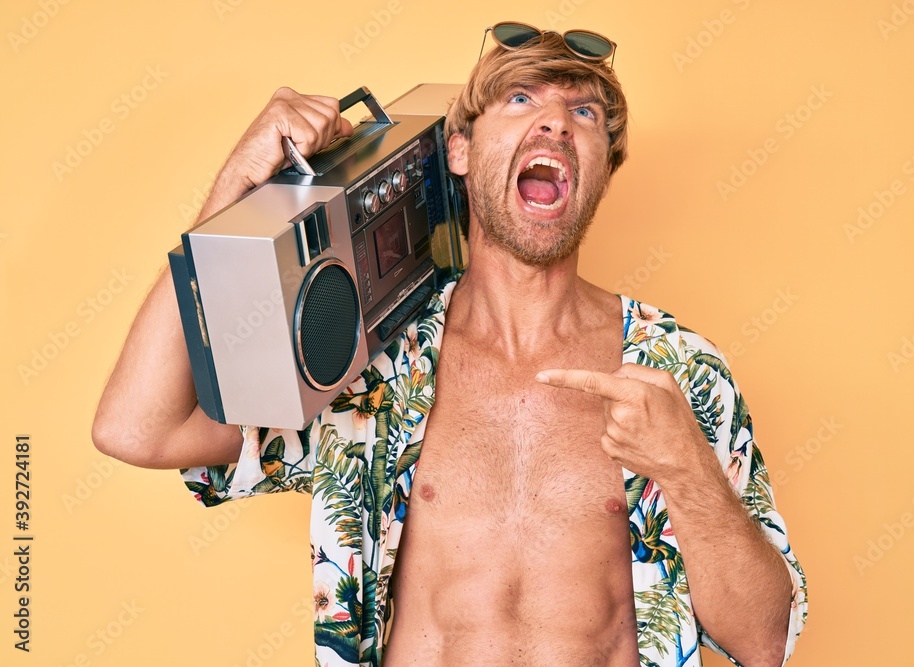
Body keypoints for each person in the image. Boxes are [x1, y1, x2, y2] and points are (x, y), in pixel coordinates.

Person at [93, 24, 807, 667]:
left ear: (603, 170)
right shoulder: (370, 366)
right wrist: (234, 191)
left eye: (584, 113)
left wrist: (688, 471)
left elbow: (763, 641)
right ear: (459, 149)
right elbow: (135, 426)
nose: (556, 122)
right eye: (523, 100)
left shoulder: (675, 371)